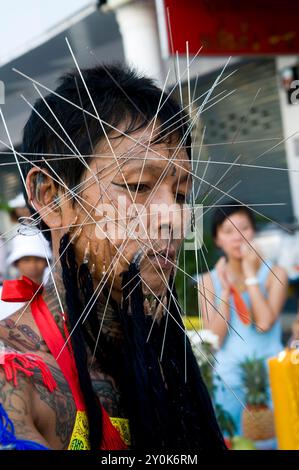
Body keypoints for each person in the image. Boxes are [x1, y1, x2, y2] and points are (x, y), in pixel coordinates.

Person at [0, 65, 226, 451]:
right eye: (137, 185)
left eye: (181, 193)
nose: (174, 217)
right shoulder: (14, 376)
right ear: (51, 196)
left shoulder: (166, 353)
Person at [198, 202, 288, 435]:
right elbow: (214, 339)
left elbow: (264, 324)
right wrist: (225, 293)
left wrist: (250, 275)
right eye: (228, 231)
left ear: (253, 232)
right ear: (217, 239)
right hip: (229, 382)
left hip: (273, 376)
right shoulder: (207, 282)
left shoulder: (276, 274)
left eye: (244, 229)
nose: (238, 238)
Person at [0, 233, 51, 322]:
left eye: (38, 259)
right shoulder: (3, 294)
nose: (33, 266)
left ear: (47, 262)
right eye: (26, 260)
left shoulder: (57, 295)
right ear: (16, 263)